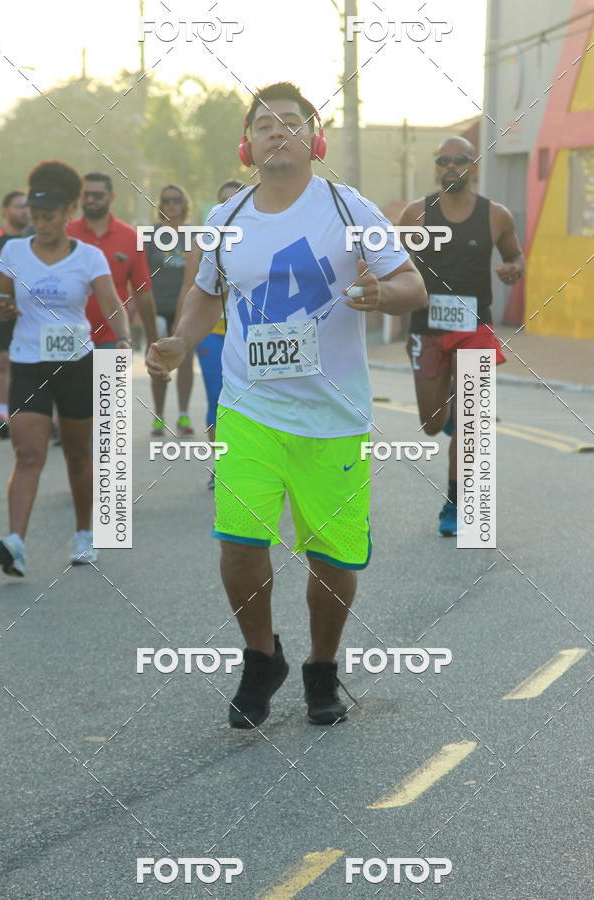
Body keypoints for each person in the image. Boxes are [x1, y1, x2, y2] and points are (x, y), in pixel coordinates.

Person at [146, 82, 427, 729]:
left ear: (314, 138)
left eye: (291, 122)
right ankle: (260, 655)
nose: (279, 131)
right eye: (265, 124)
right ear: (249, 142)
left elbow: (410, 281)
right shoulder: (225, 219)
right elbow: (204, 296)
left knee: (331, 559)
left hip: (333, 417)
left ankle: (322, 668)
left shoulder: (348, 208)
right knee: (239, 545)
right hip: (249, 411)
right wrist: (180, 340)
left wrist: (381, 296)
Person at [0, 160, 131, 577]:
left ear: (68, 213)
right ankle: (15, 542)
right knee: (29, 452)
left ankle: (85, 533)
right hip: (29, 361)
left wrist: (123, 341)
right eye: (34, 217)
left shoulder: (89, 257)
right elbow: (0, 305)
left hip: (76, 363)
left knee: (76, 454)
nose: (40, 225)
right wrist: (3, 309)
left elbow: (111, 306)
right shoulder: (14, 251)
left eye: (49, 217)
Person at [399, 136, 524, 536]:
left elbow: (514, 256)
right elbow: (392, 263)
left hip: (475, 328)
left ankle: (457, 504)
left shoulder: (496, 216)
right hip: (428, 326)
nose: (451, 166)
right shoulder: (416, 214)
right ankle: (449, 415)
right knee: (433, 424)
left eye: (460, 160)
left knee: (473, 424)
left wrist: (514, 269)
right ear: (435, 167)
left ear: (474, 167)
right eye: (443, 160)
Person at [175, 179, 244, 487]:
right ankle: (222, 464)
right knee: (217, 395)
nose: (230, 206)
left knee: (247, 399)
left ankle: (248, 460)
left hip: (248, 332)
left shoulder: (264, 237)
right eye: (223, 201)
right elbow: (190, 289)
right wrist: (181, 336)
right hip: (212, 330)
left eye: (236, 200)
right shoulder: (204, 241)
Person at [66, 172, 157, 352]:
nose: (90, 200)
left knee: (111, 381)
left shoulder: (131, 238)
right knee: (72, 381)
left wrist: (152, 338)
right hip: (68, 336)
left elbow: (143, 292)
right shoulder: (65, 234)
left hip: (114, 337)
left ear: (112, 197)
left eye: (98, 195)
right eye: (85, 195)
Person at [145, 184, 196, 437]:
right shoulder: (151, 234)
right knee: (158, 360)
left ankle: (183, 415)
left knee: (185, 360)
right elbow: (140, 274)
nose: (172, 204)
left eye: (176, 200)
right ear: (161, 205)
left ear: (183, 204)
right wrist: (137, 306)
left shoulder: (193, 235)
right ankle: (158, 416)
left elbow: (200, 275)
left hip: (186, 308)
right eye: (167, 200)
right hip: (157, 306)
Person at [0, 191, 29, 438]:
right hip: (1, 308)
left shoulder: (35, 241)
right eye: (18, 206)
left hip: (31, 309)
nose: (24, 211)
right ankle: (1, 415)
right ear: (5, 210)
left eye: (27, 206)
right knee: (2, 359)